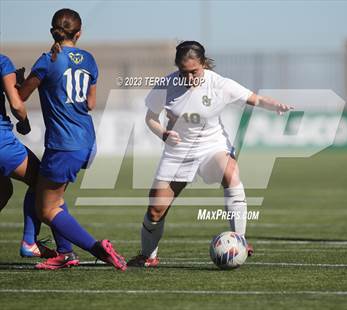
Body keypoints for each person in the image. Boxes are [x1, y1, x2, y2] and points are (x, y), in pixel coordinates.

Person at [128, 41, 292, 267]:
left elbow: (256, 98)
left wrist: (276, 106)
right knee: (156, 209)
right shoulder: (166, 84)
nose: (189, 77)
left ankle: (240, 240)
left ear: (204, 64)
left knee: (231, 172)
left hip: (211, 147)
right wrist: (163, 134)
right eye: (183, 72)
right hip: (178, 152)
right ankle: (148, 257)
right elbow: (150, 118)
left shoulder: (220, 85)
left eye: (194, 71)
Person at [17, 8, 126, 270]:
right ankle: (64, 253)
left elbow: (20, 96)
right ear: (79, 33)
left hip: (63, 144)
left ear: (52, 31)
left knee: (47, 210)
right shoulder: (88, 59)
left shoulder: (47, 60)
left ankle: (98, 248)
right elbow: (90, 103)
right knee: (54, 199)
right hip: (87, 140)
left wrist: (19, 80)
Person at [0, 54, 56, 259]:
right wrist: (24, 122)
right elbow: (16, 104)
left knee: (3, 189)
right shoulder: (2, 62)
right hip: (1, 143)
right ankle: (30, 242)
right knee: (41, 179)